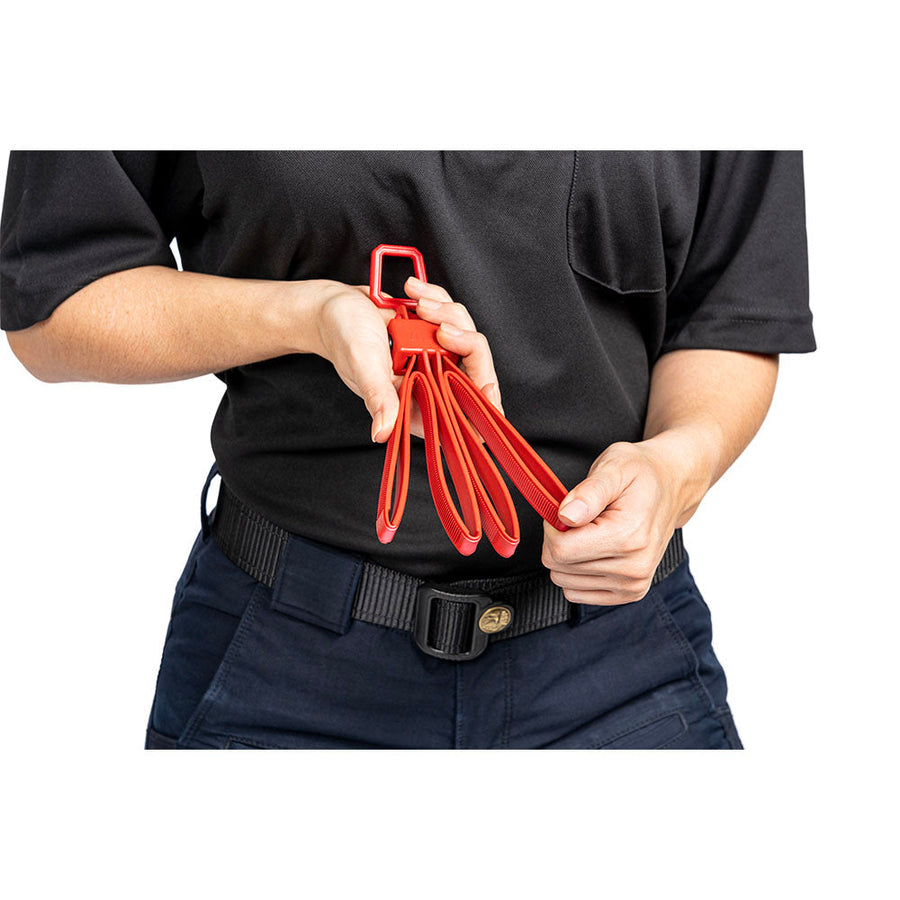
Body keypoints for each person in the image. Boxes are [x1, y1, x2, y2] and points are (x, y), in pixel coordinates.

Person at [0, 151, 815, 749]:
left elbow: (732, 311)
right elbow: (56, 305)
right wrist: (310, 316)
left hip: (618, 669)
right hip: (286, 668)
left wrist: (679, 462)